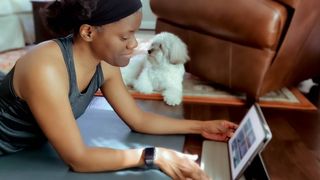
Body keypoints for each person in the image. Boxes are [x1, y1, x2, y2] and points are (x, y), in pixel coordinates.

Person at [0, 0, 238, 179]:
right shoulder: (45, 69)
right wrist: (156, 156)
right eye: (125, 36)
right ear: (88, 32)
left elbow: (138, 119)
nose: (134, 44)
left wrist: (201, 127)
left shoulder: (103, 62)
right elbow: (78, 159)